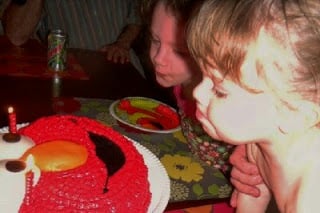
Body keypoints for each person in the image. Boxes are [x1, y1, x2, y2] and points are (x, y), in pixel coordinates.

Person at [187, 0, 320, 212]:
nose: (197, 92)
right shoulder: (259, 143)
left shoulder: (311, 199)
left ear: (293, 112)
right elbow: (253, 195)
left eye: (220, 91)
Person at [143, 0, 235, 212]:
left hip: (220, 198)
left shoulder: (226, 104)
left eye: (180, 52)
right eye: (155, 40)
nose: (158, 59)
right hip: (189, 173)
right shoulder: (180, 82)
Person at [2, 0, 145, 77]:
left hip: (121, 63)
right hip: (71, 75)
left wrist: (122, 43)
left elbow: (137, 16)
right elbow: (16, 36)